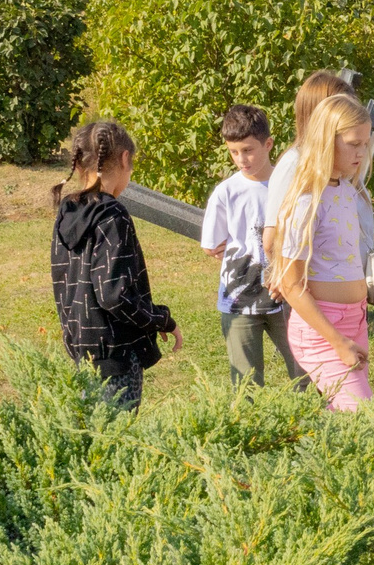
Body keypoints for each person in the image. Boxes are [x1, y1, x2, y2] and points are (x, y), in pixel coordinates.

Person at [49, 119, 180, 409]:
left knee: (94, 446)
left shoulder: (67, 211)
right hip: (116, 359)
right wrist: (161, 320)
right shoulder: (113, 216)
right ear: (124, 159)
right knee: (115, 444)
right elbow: (115, 296)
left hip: (82, 353)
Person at [271, 95, 374, 412]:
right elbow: (291, 286)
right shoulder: (306, 201)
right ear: (325, 141)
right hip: (322, 331)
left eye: (366, 143)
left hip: (354, 320)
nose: (362, 152)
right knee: (362, 415)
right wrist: (336, 340)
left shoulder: (346, 189)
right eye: (353, 144)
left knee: (345, 423)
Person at [200, 103, 305, 389]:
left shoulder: (291, 186)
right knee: (246, 383)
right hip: (240, 300)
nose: (241, 159)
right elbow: (212, 245)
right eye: (234, 152)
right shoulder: (226, 192)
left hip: (290, 296)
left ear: (268, 144)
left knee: (307, 374)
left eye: (248, 150)